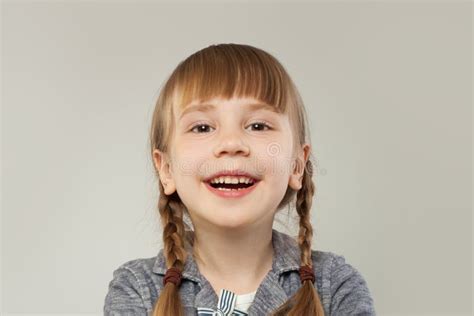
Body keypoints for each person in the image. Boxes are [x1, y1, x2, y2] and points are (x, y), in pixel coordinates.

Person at [104, 43, 376, 316]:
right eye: (202, 127)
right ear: (166, 170)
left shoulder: (336, 285)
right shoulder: (136, 289)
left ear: (297, 164)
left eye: (258, 126)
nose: (231, 143)